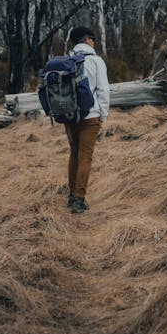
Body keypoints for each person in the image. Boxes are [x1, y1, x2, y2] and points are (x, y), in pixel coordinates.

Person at [65, 25, 110, 214]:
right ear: (86, 40)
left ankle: (71, 195)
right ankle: (78, 199)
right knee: (85, 157)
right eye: (93, 38)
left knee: (74, 154)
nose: (94, 41)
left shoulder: (67, 60)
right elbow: (103, 90)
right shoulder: (96, 61)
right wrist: (103, 115)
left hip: (69, 116)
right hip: (90, 116)